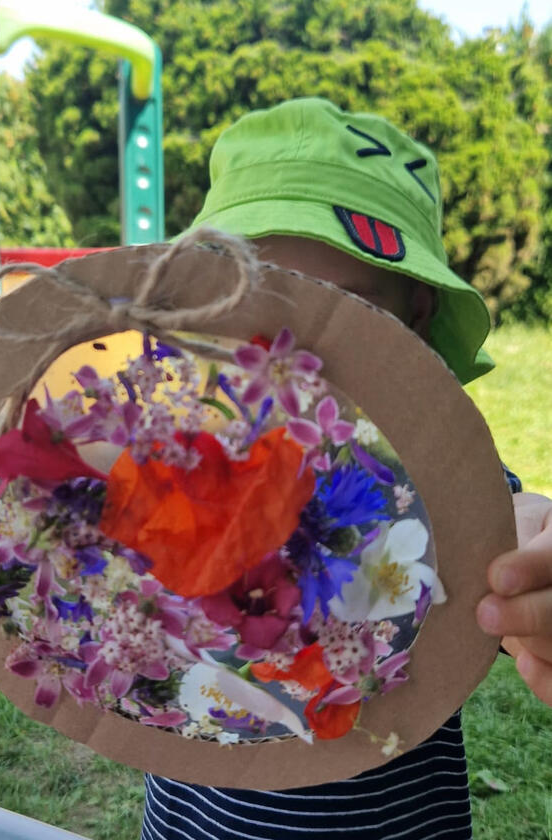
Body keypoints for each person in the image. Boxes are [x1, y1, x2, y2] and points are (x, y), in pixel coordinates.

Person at [139, 98, 552, 839]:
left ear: (415, 318)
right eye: (247, 304)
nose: (283, 352)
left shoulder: (435, 472)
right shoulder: (170, 454)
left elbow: (506, 528)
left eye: (343, 311)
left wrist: (523, 561)